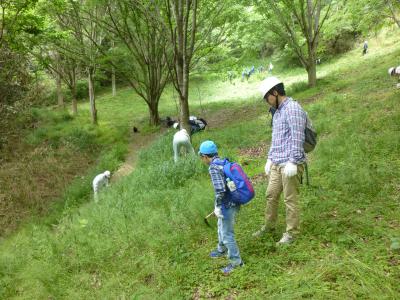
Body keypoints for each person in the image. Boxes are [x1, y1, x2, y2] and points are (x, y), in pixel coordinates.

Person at [254, 76, 306, 245]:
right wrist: (269, 158)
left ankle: (292, 233)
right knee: (271, 195)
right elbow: (276, 139)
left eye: (267, 98)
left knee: (290, 199)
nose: (267, 102)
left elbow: (298, 137)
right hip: (276, 163)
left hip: (291, 163)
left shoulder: (293, 108)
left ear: (275, 93)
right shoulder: (276, 112)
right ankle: (269, 226)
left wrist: (293, 161)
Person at [198, 140, 244, 275]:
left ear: (205, 157)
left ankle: (236, 262)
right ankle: (221, 249)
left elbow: (220, 190)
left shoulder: (213, 168)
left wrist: (218, 206)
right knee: (220, 226)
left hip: (227, 204)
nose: (202, 160)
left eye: (202, 157)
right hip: (234, 201)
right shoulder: (223, 162)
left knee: (227, 233)